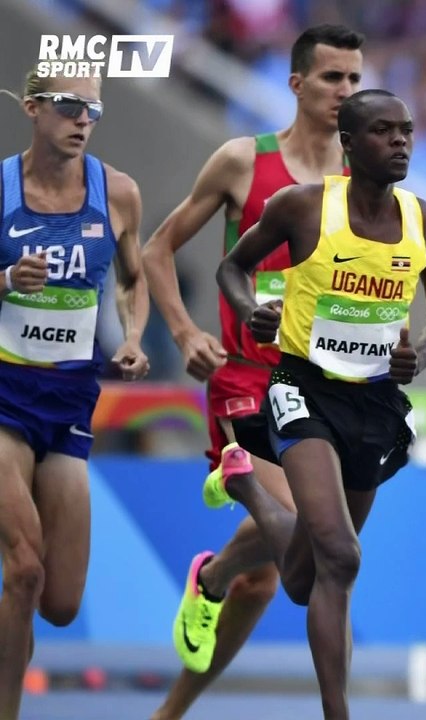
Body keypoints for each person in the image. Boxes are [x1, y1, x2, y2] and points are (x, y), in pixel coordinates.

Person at [210, 88, 426, 720]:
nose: (400, 141)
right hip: (303, 391)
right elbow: (232, 269)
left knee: (304, 580)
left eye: (407, 130)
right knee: (341, 558)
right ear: (348, 144)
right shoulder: (303, 207)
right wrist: (251, 311)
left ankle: (248, 488)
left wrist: (420, 359)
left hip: (375, 406)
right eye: (383, 130)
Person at [138, 24, 362, 719]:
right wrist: (185, 331)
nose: (345, 91)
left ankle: (208, 596)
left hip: (322, 387)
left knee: (265, 581)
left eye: (355, 79)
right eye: (332, 77)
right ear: (296, 84)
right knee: (309, 529)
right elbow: (157, 249)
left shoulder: (361, 179)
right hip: (245, 379)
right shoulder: (243, 161)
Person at [0, 70, 149, 720]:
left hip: (68, 405)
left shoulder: (118, 193)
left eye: (93, 109)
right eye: (69, 105)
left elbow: (133, 280)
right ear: (33, 108)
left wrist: (134, 336)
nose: (83, 119)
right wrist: (6, 279)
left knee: (57, 602)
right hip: (4, 397)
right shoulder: (1, 189)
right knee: (24, 570)